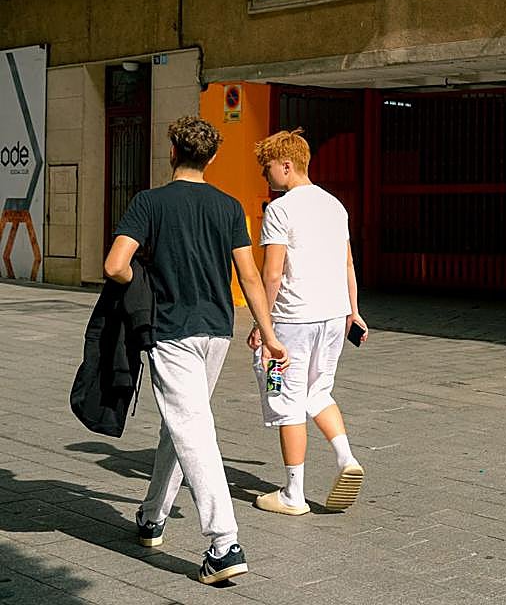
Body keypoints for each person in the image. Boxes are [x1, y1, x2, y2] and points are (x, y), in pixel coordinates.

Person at [103, 115, 288, 585]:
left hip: (171, 329)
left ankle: (224, 544)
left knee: (192, 427)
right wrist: (269, 335)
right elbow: (248, 277)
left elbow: (115, 265)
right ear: (212, 158)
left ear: (172, 152)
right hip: (217, 331)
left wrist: (139, 282)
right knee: (180, 423)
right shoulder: (229, 207)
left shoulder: (149, 202)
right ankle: (152, 517)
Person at [247, 128, 367, 516]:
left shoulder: (280, 209)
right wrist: (354, 311)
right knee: (319, 392)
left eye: (267, 169)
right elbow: (348, 263)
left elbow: (272, 274)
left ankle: (293, 493)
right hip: (333, 316)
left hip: (292, 321)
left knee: (287, 401)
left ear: (286, 165)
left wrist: (262, 325)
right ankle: (346, 459)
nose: (265, 176)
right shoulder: (335, 205)